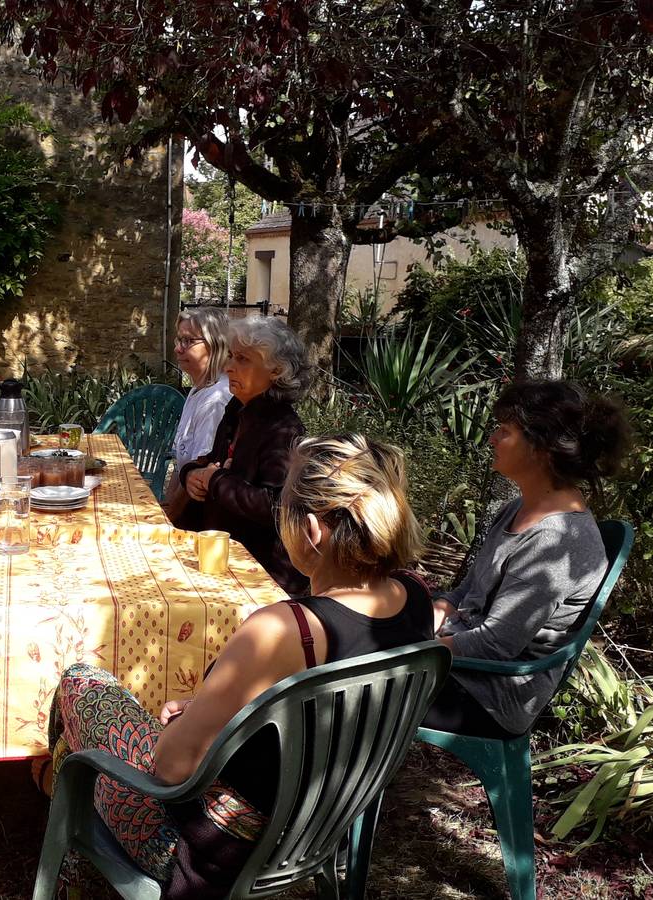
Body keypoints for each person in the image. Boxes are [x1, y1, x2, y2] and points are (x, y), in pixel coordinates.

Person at [50, 436, 431, 899]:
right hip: (314, 833)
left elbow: (169, 769)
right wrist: (213, 714)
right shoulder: (414, 600)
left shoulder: (285, 629)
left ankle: (63, 840)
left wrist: (187, 727)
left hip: (211, 849)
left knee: (80, 685)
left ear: (311, 529)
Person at [425, 379, 632, 738]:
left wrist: (408, 652)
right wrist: (435, 612)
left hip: (489, 696)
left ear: (542, 448)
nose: (492, 439)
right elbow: (466, 594)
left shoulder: (556, 542)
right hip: (460, 664)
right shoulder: (518, 509)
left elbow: (495, 645)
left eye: (504, 431)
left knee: (347, 673)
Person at [168, 315, 309, 596]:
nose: (229, 366)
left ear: (276, 371)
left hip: (262, 577)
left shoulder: (283, 429)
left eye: (242, 359)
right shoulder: (237, 409)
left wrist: (216, 480)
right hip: (222, 556)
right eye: (231, 356)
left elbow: (277, 507)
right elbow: (212, 462)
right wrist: (192, 475)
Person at [167, 309, 234, 504]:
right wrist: (166, 504)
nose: (178, 349)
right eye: (178, 340)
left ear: (216, 345)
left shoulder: (217, 399)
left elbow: (200, 472)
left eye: (188, 341)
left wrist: (170, 518)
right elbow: (181, 466)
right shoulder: (199, 388)